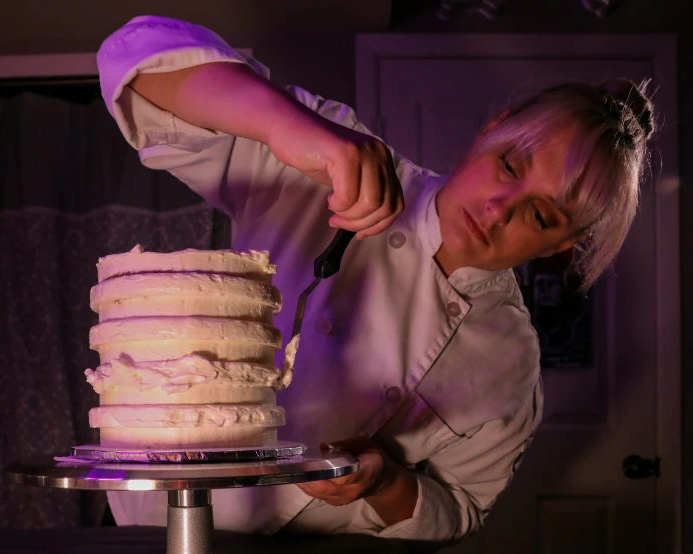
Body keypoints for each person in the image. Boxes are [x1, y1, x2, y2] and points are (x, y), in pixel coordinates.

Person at [96, 15, 655, 545]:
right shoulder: (338, 157)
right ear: (491, 130)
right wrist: (284, 126)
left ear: (560, 246)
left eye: (541, 215)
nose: (499, 209)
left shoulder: (511, 361)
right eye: (510, 164)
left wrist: (384, 482)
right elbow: (135, 60)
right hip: (152, 522)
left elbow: (460, 510)